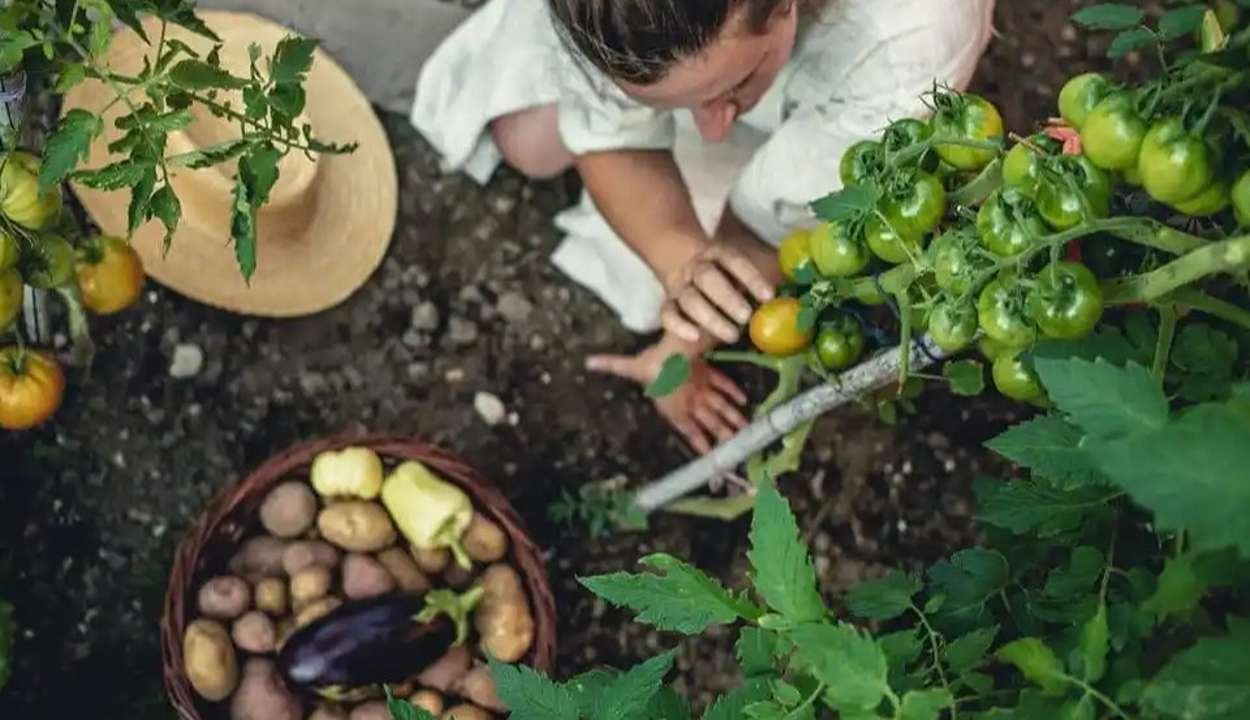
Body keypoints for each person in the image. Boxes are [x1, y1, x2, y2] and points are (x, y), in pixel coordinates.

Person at [412, 0, 996, 453]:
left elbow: (768, 227)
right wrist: (680, 257)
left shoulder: (911, 36)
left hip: (852, 88)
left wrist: (680, 348)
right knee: (528, 144)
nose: (712, 128)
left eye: (734, 85)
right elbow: (608, 129)